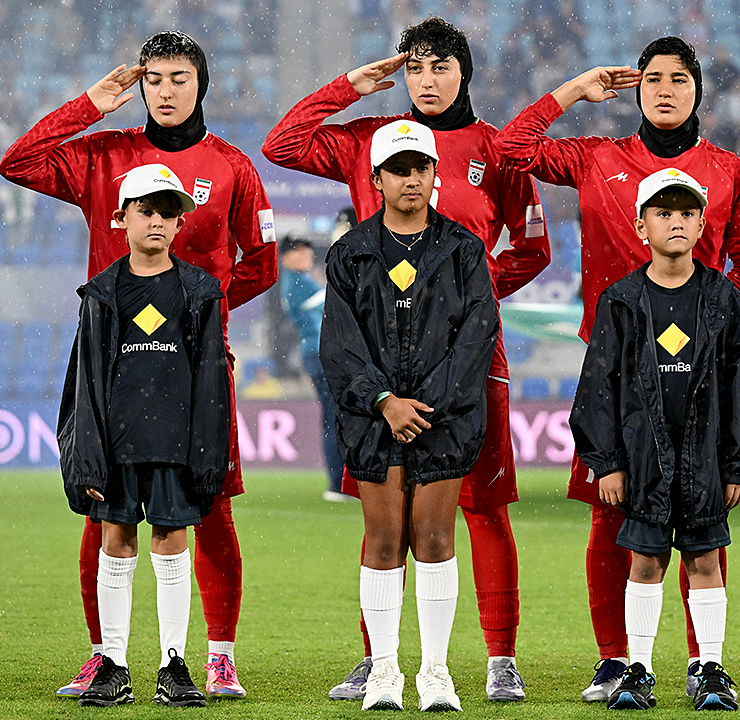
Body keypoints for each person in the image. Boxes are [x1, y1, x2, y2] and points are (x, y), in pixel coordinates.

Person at [262, 17, 546, 701]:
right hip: (378, 365)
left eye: (440, 66)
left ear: (464, 72)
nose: (426, 79)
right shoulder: (371, 139)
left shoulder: (498, 149)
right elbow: (282, 144)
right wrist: (349, 87)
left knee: (483, 508)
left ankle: (500, 659)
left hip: (470, 359)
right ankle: (378, 661)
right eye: (414, 67)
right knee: (383, 519)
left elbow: (533, 247)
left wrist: (466, 297)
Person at [493, 35, 740, 701]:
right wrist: (571, 91)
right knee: (609, 515)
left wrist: (702, 321)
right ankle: (617, 661)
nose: (665, 90)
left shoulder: (729, 170)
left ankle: (705, 664)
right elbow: (510, 150)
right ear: (636, 90)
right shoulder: (598, 157)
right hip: (614, 373)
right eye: (653, 79)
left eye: (679, 78)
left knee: (703, 520)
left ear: (698, 90)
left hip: (697, 378)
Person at [0, 31, 276, 700]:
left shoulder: (232, 167)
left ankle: (218, 657)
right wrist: (88, 105)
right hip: (111, 364)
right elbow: (17, 162)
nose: (165, 90)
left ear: (201, 84)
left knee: (209, 506)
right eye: (153, 79)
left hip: (197, 364)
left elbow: (263, 263)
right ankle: (105, 657)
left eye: (179, 78)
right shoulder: (104, 154)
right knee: (103, 506)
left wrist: (195, 314)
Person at [570, 168, 740, 711]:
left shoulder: (722, 297)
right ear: (641, 227)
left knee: (705, 562)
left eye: (687, 213)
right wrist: (606, 462)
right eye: (663, 213)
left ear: (703, 225)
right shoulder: (620, 299)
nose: (676, 222)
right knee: (645, 563)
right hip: (641, 461)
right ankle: (637, 670)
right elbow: (598, 388)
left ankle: (710, 669)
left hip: (706, 460)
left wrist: (739, 464)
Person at [319, 120, 498, 712]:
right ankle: (385, 672)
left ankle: (435, 673)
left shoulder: (464, 249)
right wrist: (384, 401)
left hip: (443, 418)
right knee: (383, 538)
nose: (411, 179)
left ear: (434, 173)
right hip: (374, 419)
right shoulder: (350, 252)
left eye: (420, 167)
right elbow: (339, 344)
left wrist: (425, 405)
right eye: (398, 170)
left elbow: (476, 337)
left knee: (436, 537)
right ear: (376, 179)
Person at [58, 164, 230, 708]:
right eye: (146, 210)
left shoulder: (200, 290)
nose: (157, 221)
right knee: (116, 540)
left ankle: (172, 665)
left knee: (173, 542)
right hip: (117, 443)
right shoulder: (101, 293)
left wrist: (208, 455)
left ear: (180, 223)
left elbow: (211, 382)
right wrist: (86, 456)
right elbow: (85, 381)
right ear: (121, 218)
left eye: (168, 213)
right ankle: (114, 664)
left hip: (176, 443)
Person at [278, 235, 347, 501]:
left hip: (316, 354)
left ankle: (340, 481)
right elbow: (339, 304)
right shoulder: (298, 283)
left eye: (307, 250)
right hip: (322, 354)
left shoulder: (296, 282)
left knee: (333, 416)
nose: (306, 255)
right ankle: (338, 483)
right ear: (286, 257)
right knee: (334, 417)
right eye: (299, 251)